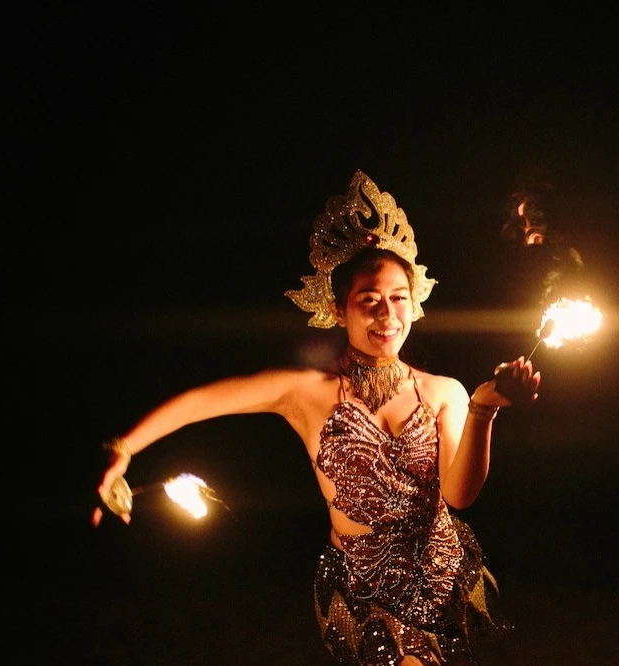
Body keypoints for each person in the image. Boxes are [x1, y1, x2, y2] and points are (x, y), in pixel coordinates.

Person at [91, 170, 541, 666]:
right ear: (337, 308)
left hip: (441, 578)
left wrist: (484, 409)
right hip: (362, 592)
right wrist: (125, 448)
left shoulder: (446, 392)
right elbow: (203, 400)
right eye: (369, 301)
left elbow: (459, 495)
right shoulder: (308, 392)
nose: (387, 316)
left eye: (398, 299)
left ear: (415, 304)